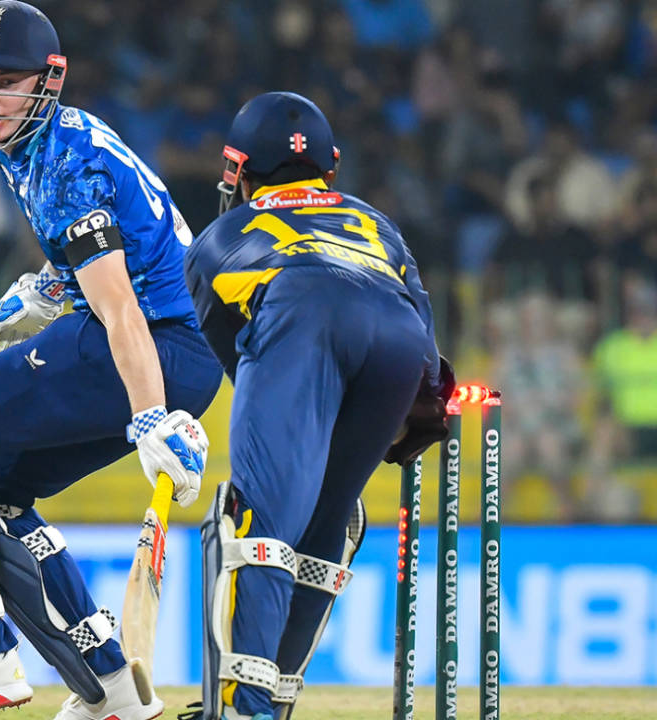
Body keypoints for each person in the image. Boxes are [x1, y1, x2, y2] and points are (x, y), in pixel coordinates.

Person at [0, 4, 223, 720]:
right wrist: (45, 290)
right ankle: (111, 687)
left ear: (48, 79)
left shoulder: (62, 163)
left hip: (144, 349)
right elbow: (126, 252)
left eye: (8, 82)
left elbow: (123, 307)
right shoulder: (43, 140)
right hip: (174, 351)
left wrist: (150, 415)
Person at [180, 92, 453, 720]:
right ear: (329, 166)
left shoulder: (220, 235)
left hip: (303, 315)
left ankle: (242, 706)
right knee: (329, 517)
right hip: (399, 342)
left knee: (257, 520)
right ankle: (270, 702)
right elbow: (427, 348)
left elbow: (235, 359)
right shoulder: (374, 223)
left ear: (240, 170)